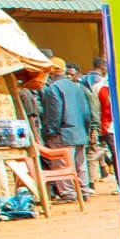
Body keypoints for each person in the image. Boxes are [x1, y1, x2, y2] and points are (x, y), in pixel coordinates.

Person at [38, 65, 95, 194]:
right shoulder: (77, 87)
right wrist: (86, 130)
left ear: (50, 73)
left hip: (63, 133)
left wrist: (51, 132)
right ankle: (83, 190)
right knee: (80, 164)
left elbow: (54, 113)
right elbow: (87, 113)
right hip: (80, 132)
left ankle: (68, 193)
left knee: (62, 165)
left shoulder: (53, 88)